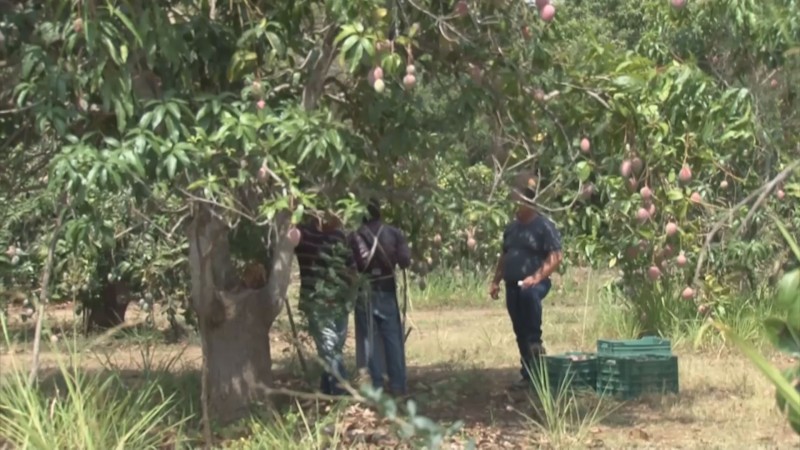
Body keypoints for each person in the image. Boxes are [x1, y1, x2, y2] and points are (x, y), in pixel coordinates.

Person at [489, 186, 563, 390]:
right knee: (519, 330)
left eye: (515, 200)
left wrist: (536, 277)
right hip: (512, 285)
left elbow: (556, 256)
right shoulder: (511, 228)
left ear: (528, 202)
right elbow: (504, 256)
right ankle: (527, 375)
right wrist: (496, 281)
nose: (513, 205)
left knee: (531, 331)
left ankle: (539, 374)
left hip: (535, 285)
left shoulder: (543, 226)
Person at [350, 198, 412, 396]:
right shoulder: (393, 233)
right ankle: (398, 385)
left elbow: (350, 264)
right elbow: (405, 261)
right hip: (387, 290)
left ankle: (376, 387)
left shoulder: (356, 235)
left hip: (365, 291)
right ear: (380, 213)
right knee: (393, 338)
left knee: (370, 340)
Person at [295, 211, 356, 396]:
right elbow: (289, 238)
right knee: (330, 350)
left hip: (338, 302)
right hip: (318, 303)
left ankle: (327, 390)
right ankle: (342, 394)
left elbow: (351, 267)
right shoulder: (304, 234)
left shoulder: (338, 236)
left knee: (333, 349)